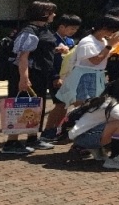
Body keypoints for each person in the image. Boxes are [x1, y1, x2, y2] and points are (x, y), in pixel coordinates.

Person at [2, 0, 62, 154]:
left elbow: (40, 49)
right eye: (51, 12)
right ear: (43, 14)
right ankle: (11, 142)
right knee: (19, 104)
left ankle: (32, 138)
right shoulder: (29, 31)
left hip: (40, 73)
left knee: (35, 105)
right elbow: (22, 57)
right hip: (29, 73)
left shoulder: (43, 29)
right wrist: (24, 78)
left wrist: (56, 50)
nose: (54, 15)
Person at [57, 15, 119, 106]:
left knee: (91, 105)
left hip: (97, 75)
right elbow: (95, 60)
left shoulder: (103, 40)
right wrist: (109, 46)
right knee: (82, 105)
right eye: (113, 30)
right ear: (104, 28)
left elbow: (103, 57)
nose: (114, 33)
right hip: (84, 76)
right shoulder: (88, 41)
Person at [41, 14, 81, 142]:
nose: (73, 32)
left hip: (67, 77)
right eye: (71, 29)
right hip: (55, 77)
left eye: (76, 29)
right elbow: (49, 61)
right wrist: (55, 77)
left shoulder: (69, 41)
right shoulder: (52, 39)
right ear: (62, 26)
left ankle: (56, 129)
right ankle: (47, 131)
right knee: (59, 104)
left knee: (64, 104)